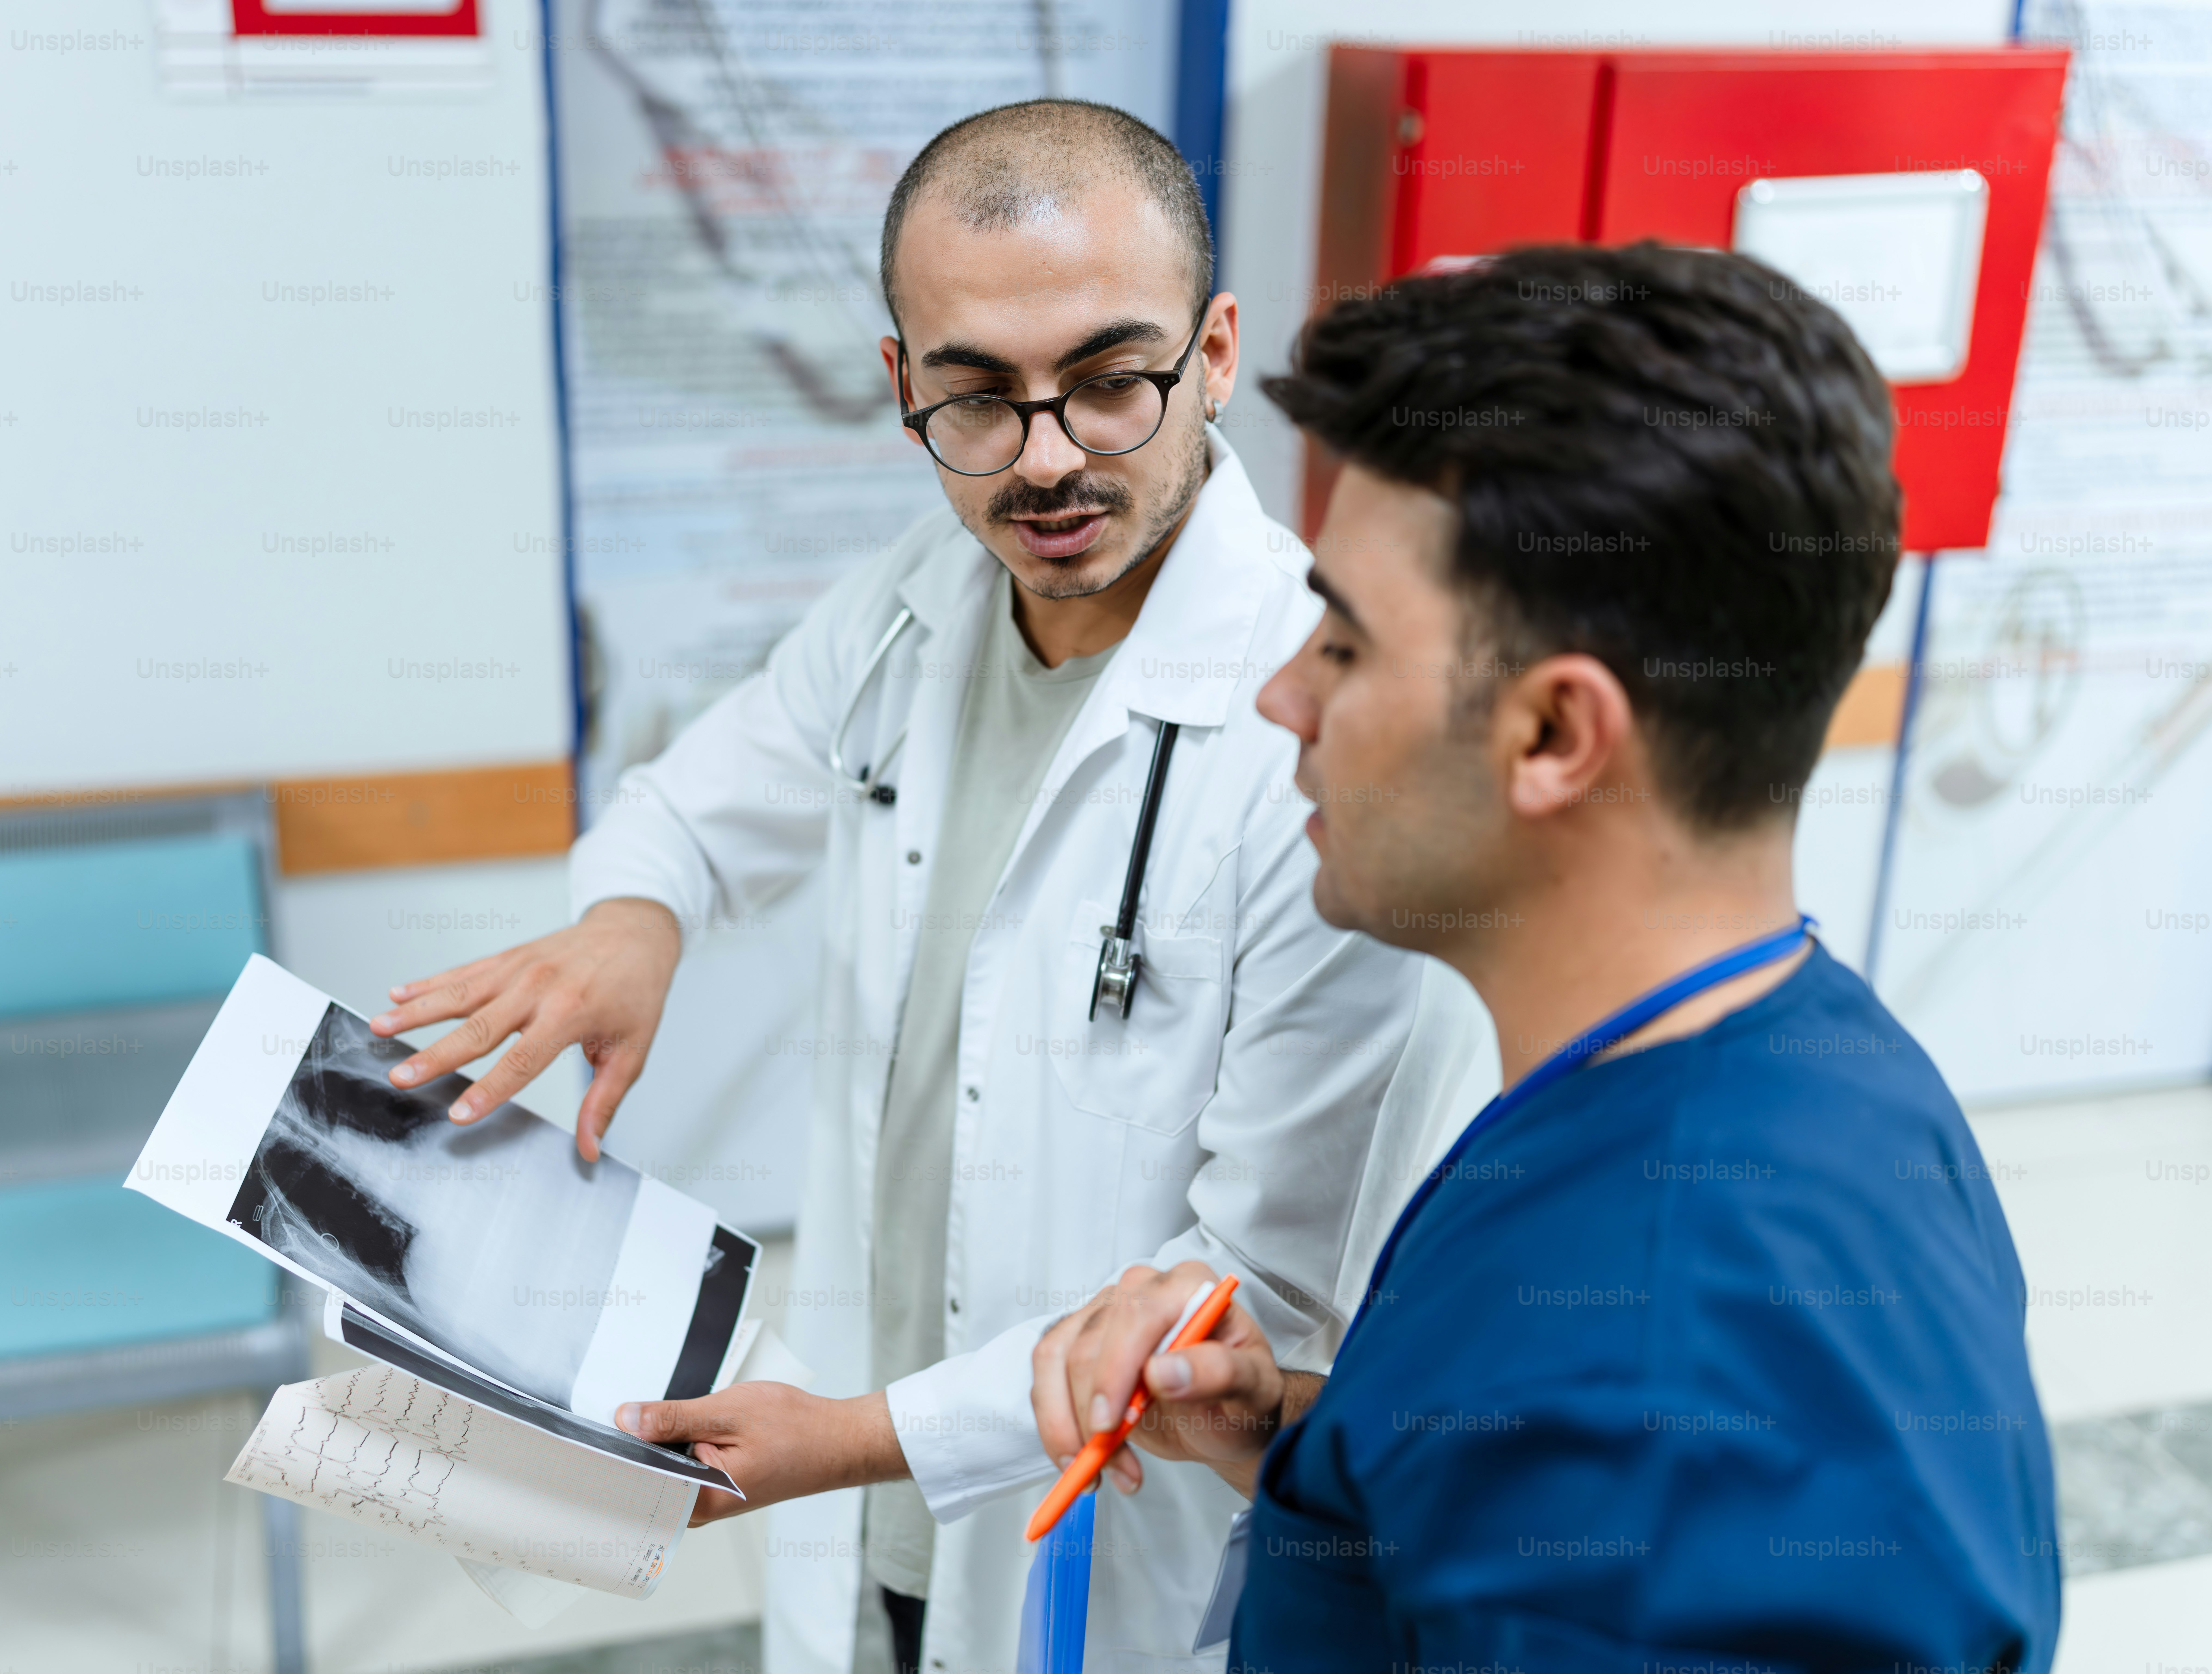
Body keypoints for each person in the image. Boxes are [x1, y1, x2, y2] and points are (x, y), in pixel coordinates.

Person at [368, 100, 1497, 1674]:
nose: (1045, 461)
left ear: (1218, 352)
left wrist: (844, 1435)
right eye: (975, 398)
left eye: (1111, 383)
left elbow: (1242, 1309)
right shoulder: (914, 605)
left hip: (1096, 1542)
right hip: (861, 1479)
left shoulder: (1315, 731)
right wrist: (632, 919)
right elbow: (684, 811)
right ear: (903, 384)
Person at [1028, 243, 2060, 1671]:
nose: (1282, 695)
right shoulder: (1813, 1065)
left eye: (1343, 641)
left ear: (1553, 737)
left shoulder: (1651, 1368)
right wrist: (1315, 1446)